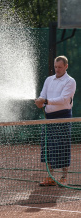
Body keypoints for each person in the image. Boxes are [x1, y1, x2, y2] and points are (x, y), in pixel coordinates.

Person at [35, 55, 76, 186]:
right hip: (48, 119)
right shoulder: (48, 80)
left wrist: (45, 101)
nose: (57, 69)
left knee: (63, 147)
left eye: (60, 67)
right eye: (55, 67)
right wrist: (40, 101)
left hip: (63, 117)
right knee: (47, 147)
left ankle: (64, 177)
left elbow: (63, 99)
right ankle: (51, 177)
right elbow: (43, 94)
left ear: (66, 67)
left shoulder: (70, 81)